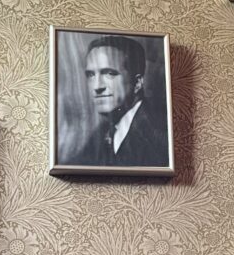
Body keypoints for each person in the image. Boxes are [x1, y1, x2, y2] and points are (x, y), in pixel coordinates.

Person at [72, 35, 169, 167]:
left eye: (110, 74)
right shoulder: (99, 135)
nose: (97, 86)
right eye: (91, 75)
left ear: (137, 83)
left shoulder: (160, 135)